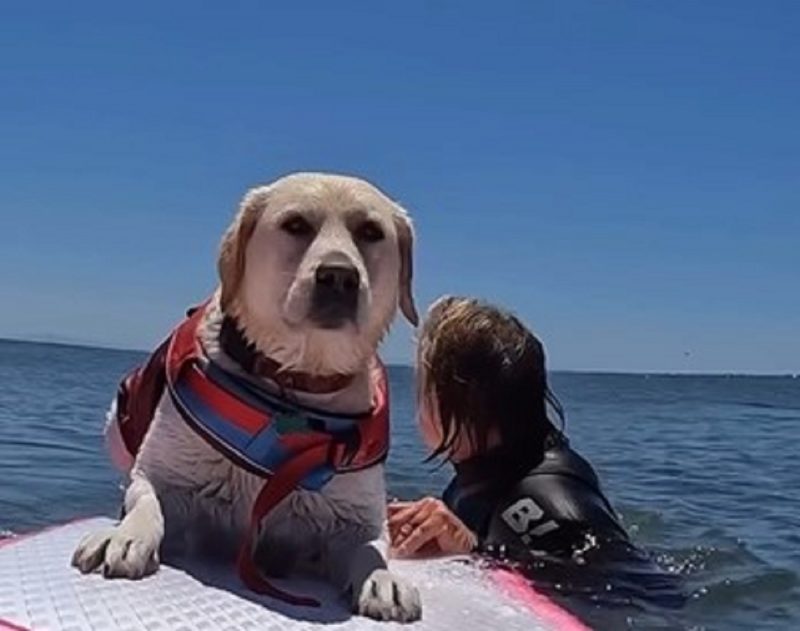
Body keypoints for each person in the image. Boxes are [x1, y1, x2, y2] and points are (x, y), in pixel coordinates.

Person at [388, 296, 632, 562]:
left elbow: (624, 592)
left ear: (460, 401)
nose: (417, 410)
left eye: (423, 391)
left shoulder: (542, 497)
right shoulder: (483, 472)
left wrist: (474, 548)